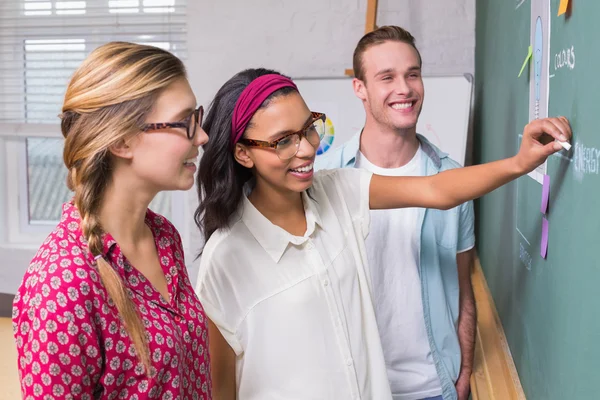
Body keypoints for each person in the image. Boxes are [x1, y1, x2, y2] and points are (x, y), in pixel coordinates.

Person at [193, 68, 570, 400]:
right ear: (243, 154)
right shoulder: (226, 258)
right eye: (283, 141)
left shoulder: (338, 191)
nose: (307, 148)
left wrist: (521, 163)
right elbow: (221, 388)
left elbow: (436, 190)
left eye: (309, 127)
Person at [12, 42, 212, 399]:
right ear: (122, 140)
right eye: (186, 122)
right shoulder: (61, 285)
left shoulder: (164, 237)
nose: (202, 136)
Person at [314, 25, 474, 400]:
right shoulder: (324, 181)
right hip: (351, 389)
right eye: (387, 77)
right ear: (360, 88)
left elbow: (463, 287)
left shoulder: (453, 180)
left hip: (434, 388)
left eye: (412, 74)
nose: (404, 88)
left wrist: (465, 370)